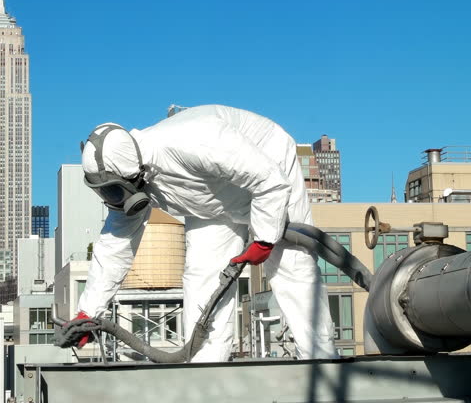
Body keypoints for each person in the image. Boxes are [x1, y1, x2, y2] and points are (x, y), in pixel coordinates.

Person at [70, 105, 337, 362]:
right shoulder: (130, 179)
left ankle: (322, 364)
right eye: (104, 192)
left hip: (269, 169)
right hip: (210, 202)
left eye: (113, 191)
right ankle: (206, 376)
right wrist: (88, 312)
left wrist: (266, 239)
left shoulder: (195, 140)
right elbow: (114, 248)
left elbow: (269, 180)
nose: (112, 199)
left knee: (292, 267)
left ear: (134, 173)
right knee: (203, 282)